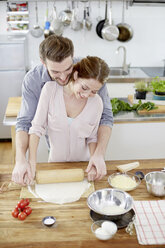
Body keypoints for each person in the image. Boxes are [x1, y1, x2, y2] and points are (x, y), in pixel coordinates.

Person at [12, 35, 113, 185]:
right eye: (56, 72)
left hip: (81, 163)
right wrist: (22, 160)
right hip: (55, 153)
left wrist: (98, 154)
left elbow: (105, 118)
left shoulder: (90, 75)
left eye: (67, 69)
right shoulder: (36, 82)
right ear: (43, 63)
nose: (64, 77)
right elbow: (27, 123)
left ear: (73, 59)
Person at [27, 56, 110, 184]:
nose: (87, 95)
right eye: (84, 87)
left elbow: (92, 137)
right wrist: (31, 162)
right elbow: (36, 129)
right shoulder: (50, 90)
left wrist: (95, 159)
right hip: (55, 165)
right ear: (76, 75)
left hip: (83, 169)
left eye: (94, 91)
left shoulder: (97, 103)